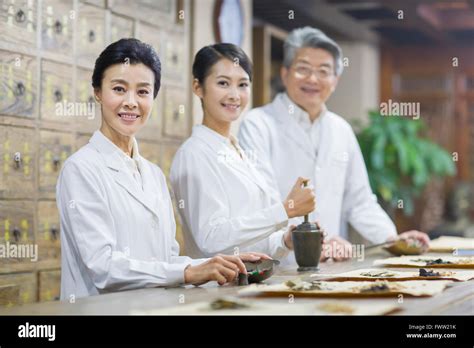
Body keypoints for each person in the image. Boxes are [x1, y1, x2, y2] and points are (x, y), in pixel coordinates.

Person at [56, 38, 269, 300]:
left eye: (143, 92)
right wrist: (189, 272)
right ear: (98, 92)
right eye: (119, 89)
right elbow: (104, 267)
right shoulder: (81, 169)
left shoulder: (154, 175)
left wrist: (217, 264)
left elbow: (166, 259)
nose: (132, 102)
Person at [238, 27, 430, 264]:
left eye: (324, 71)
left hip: (331, 267)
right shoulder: (257, 125)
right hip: (278, 264)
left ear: (335, 81)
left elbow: (359, 201)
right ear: (285, 73)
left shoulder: (341, 129)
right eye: (303, 69)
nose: (313, 79)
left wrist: (393, 239)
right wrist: (310, 239)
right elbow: (263, 204)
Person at [170, 43, 316, 260]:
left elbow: (254, 241)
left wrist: (285, 240)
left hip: (251, 285)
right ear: (198, 87)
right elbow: (210, 238)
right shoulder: (193, 154)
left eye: (242, 84)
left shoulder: (238, 150)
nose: (234, 95)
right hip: (213, 289)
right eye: (223, 83)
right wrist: (285, 210)